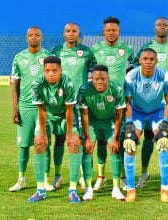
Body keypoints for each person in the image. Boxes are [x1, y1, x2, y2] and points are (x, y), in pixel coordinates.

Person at [132, 17, 168, 189]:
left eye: (165, 25)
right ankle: (144, 173)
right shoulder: (146, 49)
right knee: (149, 138)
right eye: (159, 25)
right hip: (150, 101)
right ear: (154, 28)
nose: (162, 27)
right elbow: (135, 69)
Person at [28, 56, 82, 203]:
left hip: (66, 116)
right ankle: (40, 190)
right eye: (47, 71)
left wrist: (70, 134)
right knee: (39, 144)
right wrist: (43, 134)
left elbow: (69, 110)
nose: (51, 74)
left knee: (74, 144)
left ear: (60, 70)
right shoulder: (37, 84)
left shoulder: (68, 83)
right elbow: (41, 110)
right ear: (43, 71)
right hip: (48, 115)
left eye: (54, 70)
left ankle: (72, 190)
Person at [122, 48, 168, 202]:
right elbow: (127, 103)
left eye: (152, 59)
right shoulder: (131, 76)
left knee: (163, 143)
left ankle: (165, 189)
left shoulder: (164, 75)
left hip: (157, 112)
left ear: (156, 61)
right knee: (130, 144)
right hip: (136, 112)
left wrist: (165, 124)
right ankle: (131, 190)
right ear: (140, 60)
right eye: (145, 59)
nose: (148, 62)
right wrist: (130, 125)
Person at [90, 16, 134, 191]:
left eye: (114, 30)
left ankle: (122, 176)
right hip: (99, 102)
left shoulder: (127, 49)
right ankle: (101, 177)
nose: (111, 33)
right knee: (101, 141)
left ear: (119, 31)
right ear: (103, 32)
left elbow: (136, 65)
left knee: (120, 140)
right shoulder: (95, 50)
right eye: (108, 30)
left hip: (120, 102)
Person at [50, 22, 95, 190]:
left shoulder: (87, 52)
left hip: (80, 102)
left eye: (74, 31)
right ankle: (57, 175)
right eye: (68, 31)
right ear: (63, 33)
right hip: (60, 103)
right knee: (60, 139)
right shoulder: (56, 51)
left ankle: (84, 176)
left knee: (83, 139)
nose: (71, 33)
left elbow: (96, 72)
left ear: (79, 33)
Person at [9, 26, 54, 192]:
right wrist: (15, 109)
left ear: (42, 37)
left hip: (43, 108)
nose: (33, 37)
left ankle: (45, 179)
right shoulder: (18, 58)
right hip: (25, 107)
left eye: (37, 35)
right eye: (30, 35)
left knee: (44, 143)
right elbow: (15, 86)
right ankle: (21, 179)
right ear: (26, 38)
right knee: (23, 145)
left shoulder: (48, 57)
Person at [78, 64, 126, 201]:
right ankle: (88, 188)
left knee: (115, 148)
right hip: (92, 122)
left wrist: (116, 137)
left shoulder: (116, 89)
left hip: (110, 121)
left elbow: (119, 115)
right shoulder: (84, 90)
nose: (100, 82)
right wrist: (87, 137)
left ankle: (116, 188)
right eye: (96, 79)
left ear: (108, 78)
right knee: (87, 149)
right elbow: (84, 115)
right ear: (91, 78)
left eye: (103, 79)